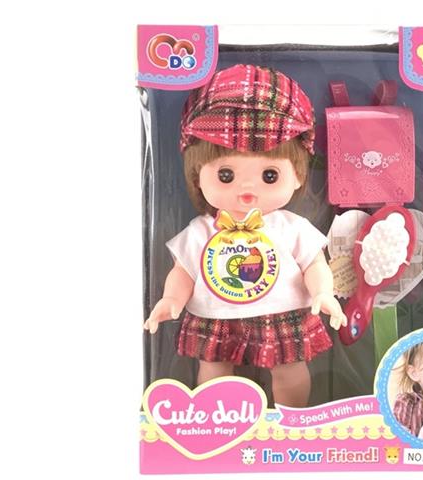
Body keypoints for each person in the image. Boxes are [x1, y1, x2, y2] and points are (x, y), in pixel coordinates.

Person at [143, 64, 346, 407]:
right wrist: (171, 300)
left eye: (270, 175)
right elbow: (183, 271)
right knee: (213, 369)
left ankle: (293, 419)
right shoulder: (201, 231)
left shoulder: (289, 227)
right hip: (215, 314)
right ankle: (219, 419)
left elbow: (314, 263)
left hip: (284, 312)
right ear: (197, 176)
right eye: (226, 175)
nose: (247, 189)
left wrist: (323, 292)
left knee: (290, 369)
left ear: (298, 175)